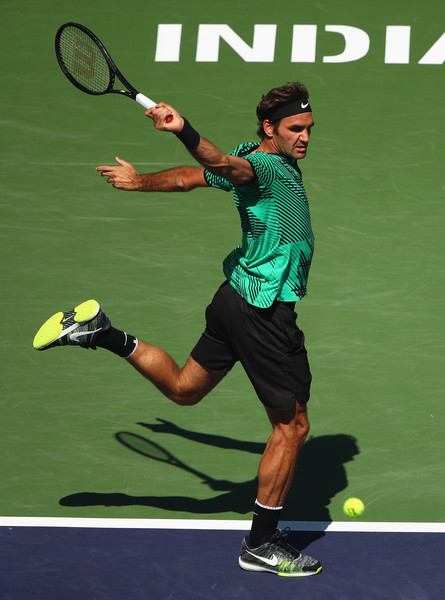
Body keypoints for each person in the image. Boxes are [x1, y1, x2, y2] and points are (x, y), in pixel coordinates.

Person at [33, 81, 322, 577]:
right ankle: (260, 543)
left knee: (186, 390)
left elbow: (194, 177)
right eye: (296, 129)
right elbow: (218, 165)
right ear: (270, 129)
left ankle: (103, 332)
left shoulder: (254, 154)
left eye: (309, 129)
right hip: (264, 310)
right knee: (292, 426)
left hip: (233, 297)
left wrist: (140, 181)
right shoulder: (265, 165)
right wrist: (182, 128)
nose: (305, 138)